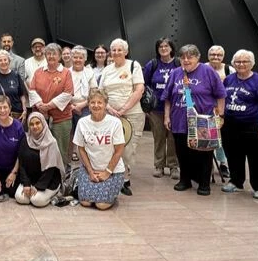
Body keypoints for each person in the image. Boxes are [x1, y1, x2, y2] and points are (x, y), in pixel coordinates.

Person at [162, 44, 226, 196]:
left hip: (202, 120)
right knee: (182, 152)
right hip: (179, 120)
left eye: (190, 57)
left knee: (204, 153)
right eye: (183, 57)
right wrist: (166, 116)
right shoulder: (176, 73)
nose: (186, 60)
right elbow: (168, 98)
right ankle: (185, 180)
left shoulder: (208, 71)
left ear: (197, 58)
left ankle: (204, 183)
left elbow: (221, 95)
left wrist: (220, 116)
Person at [220, 50, 258, 200]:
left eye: (245, 61)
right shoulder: (229, 79)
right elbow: (222, 98)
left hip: (254, 126)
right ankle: (236, 182)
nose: (241, 64)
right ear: (233, 63)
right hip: (231, 126)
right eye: (238, 62)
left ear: (252, 63)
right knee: (233, 155)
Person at [97, 38, 144, 196]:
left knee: (127, 148)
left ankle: (125, 180)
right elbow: (100, 92)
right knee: (111, 147)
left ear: (126, 51)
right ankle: (112, 174)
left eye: (119, 50)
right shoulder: (107, 70)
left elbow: (139, 89)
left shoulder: (133, 66)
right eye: (114, 50)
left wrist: (124, 109)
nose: (116, 52)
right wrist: (109, 108)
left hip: (132, 114)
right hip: (110, 114)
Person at [73, 91, 126, 210]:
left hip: (112, 170)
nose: (96, 105)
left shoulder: (115, 123)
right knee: (85, 202)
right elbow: (81, 149)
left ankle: (113, 193)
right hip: (89, 169)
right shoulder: (82, 122)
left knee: (101, 205)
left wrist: (107, 172)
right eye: (92, 102)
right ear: (88, 105)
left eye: (100, 102)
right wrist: (90, 171)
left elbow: (119, 150)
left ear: (105, 104)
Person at [29, 43, 73, 165]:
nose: (51, 56)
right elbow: (32, 90)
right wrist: (40, 105)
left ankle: (61, 175)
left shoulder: (66, 73)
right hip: (41, 118)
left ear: (59, 56)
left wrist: (48, 106)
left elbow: (68, 93)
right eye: (48, 54)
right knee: (42, 149)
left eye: (54, 54)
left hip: (62, 119)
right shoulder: (38, 72)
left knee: (60, 149)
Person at [143, 38, 180, 180]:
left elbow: (186, 83)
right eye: (161, 46)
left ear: (171, 48)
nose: (163, 48)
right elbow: (144, 85)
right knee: (158, 137)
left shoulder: (178, 64)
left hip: (175, 108)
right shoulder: (152, 64)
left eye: (166, 46)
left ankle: (173, 165)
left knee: (173, 138)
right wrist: (146, 106)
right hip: (156, 108)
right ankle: (158, 165)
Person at [15, 112, 65, 207]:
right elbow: (21, 164)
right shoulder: (25, 140)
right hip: (31, 179)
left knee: (37, 201)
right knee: (21, 198)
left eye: (38, 123)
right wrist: (26, 184)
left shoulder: (51, 143)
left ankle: (55, 193)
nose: (35, 126)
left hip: (48, 181)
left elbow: (51, 169)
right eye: (31, 124)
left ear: (43, 123)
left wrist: (39, 186)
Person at [206, 45, 232, 179]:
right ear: (208, 56)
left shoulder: (229, 70)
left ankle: (223, 163)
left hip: (223, 109)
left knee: (220, 137)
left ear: (223, 56)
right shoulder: (202, 68)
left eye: (219, 55)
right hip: (205, 109)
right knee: (206, 136)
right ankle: (207, 164)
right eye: (213, 54)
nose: (215, 57)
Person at [69, 46, 96, 161]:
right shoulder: (66, 72)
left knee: (86, 133)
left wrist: (82, 105)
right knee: (70, 133)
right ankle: (71, 155)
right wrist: (71, 106)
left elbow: (94, 92)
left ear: (85, 59)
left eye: (81, 57)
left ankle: (87, 158)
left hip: (85, 106)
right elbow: (61, 91)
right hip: (68, 106)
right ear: (71, 58)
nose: (78, 60)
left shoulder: (90, 73)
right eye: (75, 57)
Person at [0, 50, 27, 122]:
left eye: (5, 60)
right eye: (0, 60)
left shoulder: (16, 76)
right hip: (0, 115)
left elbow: (22, 95)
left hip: (16, 114)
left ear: (9, 61)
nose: (3, 62)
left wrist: (24, 110)